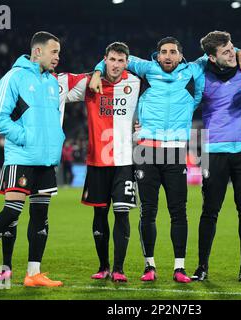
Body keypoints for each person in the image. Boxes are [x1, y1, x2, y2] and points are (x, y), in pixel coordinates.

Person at [90, 37, 204, 283]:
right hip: (146, 149)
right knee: (148, 211)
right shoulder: (146, 68)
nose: (168, 56)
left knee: (178, 211)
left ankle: (179, 268)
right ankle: (149, 266)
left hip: (175, 149)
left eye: (173, 52)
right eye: (163, 52)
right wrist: (98, 71)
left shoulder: (194, 70)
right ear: (157, 54)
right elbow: (115, 58)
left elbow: (219, 53)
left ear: (180, 55)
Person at [0, 31, 64, 288]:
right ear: (37, 51)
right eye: (54, 52)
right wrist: (26, 137)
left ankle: (33, 273)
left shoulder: (52, 82)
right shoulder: (14, 77)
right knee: (11, 213)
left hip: (46, 160)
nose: (58, 57)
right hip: (22, 156)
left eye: (58, 52)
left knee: (40, 216)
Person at [190, 31, 241, 282]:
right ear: (211, 57)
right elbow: (184, 97)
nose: (232, 53)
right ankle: (202, 267)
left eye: (232, 47)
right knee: (209, 210)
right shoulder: (202, 75)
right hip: (215, 151)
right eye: (225, 51)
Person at [65, 42, 140, 282]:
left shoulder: (136, 83)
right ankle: (103, 266)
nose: (116, 65)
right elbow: (60, 85)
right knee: (99, 215)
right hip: (97, 161)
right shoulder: (90, 84)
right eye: (112, 59)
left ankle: (119, 268)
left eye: (121, 60)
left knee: (121, 214)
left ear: (127, 62)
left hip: (124, 162)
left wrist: (142, 124)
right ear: (104, 59)